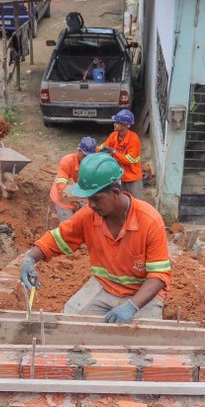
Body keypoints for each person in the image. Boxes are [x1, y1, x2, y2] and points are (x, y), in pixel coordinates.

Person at [21, 153, 171, 324]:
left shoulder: (149, 221)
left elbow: (158, 276)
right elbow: (56, 239)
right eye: (88, 198)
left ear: (115, 192)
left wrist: (132, 306)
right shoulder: (88, 216)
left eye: (96, 198)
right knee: (67, 325)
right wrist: (30, 258)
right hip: (104, 287)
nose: (90, 204)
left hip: (142, 296)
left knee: (145, 343)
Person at [98, 109, 144, 199]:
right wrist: (91, 151)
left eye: (117, 122)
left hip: (132, 177)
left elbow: (129, 160)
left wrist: (114, 152)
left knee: (137, 202)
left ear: (124, 125)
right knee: (121, 201)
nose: (114, 124)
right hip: (118, 176)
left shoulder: (134, 139)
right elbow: (102, 147)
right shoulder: (113, 135)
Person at [50, 136, 96, 222]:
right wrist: (73, 200)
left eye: (89, 156)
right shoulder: (67, 161)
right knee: (68, 225)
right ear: (78, 150)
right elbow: (62, 186)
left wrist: (84, 202)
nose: (86, 158)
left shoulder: (92, 165)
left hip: (78, 193)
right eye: (84, 155)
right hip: (63, 196)